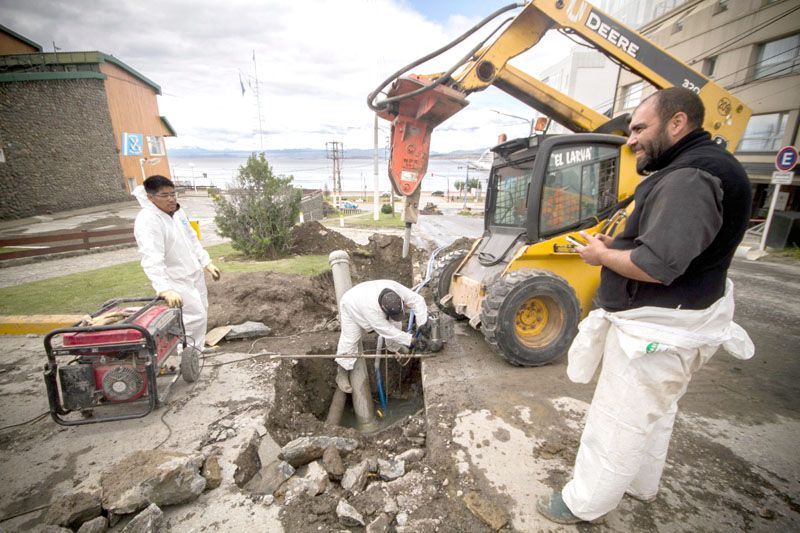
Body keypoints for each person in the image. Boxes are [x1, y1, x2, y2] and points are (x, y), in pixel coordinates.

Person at [537, 88, 755, 524]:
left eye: (639, 128)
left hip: (655, 332)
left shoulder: (689, 177)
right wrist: (615, 244)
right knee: (656, 413)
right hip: (676, 324)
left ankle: (584, 503)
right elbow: (665, 244)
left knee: (619, 419)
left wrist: (601, 257)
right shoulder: (698, 169)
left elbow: (657, 264)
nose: (631, 140)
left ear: (677, 123)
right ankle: (640, 483)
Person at [133, 175, 221, 352]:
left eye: (173, 193)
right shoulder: (148, 220)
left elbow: (192, 239)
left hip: (193, 272)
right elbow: (151, 257)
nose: (171, 199)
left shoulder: (178, 213)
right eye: (165, 195)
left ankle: (197, 349)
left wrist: (206, 262)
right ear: (150, 197)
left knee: (202, 311)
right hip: (175, 278)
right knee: (193, 316)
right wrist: (164, 288)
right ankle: (185, 353)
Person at [334, 279, 428, 393]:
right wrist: (412, 341)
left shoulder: (396, 289)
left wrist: (422, 324)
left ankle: (395, 348)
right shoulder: (371, 310)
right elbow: (386, 330)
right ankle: (342, 373)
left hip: (366, 295)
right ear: (383, 308)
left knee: (396, 323)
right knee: (350, 338)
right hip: (351, 303)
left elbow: (418, 300)